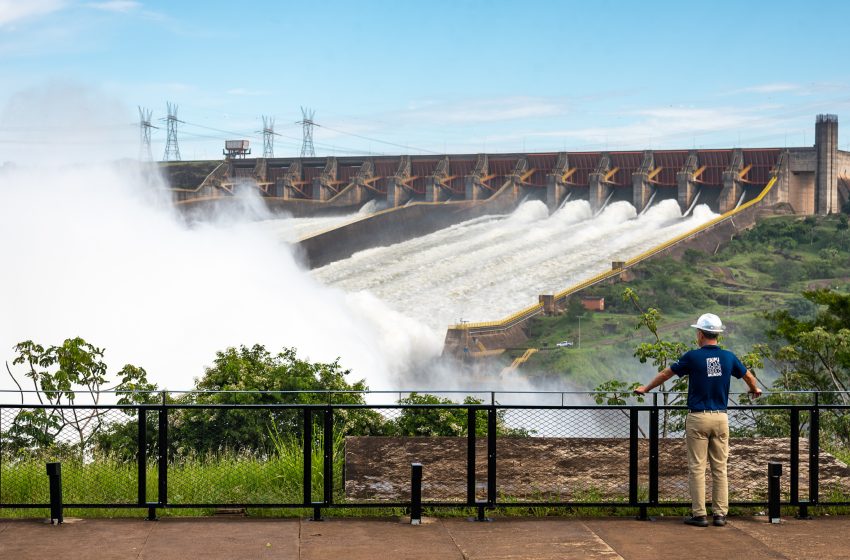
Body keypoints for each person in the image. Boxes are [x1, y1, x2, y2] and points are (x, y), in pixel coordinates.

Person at [634, 313, 762, 527]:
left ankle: (700, 514)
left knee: (697, 467)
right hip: (721, 418)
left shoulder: (693, 357)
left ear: (701, 334)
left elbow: (667, 374)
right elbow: (748, 375)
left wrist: (646, 388)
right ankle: (720, 515)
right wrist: (754, 389)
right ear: (717, 335)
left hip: (698, 418)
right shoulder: (729, 357)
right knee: (720, 468)